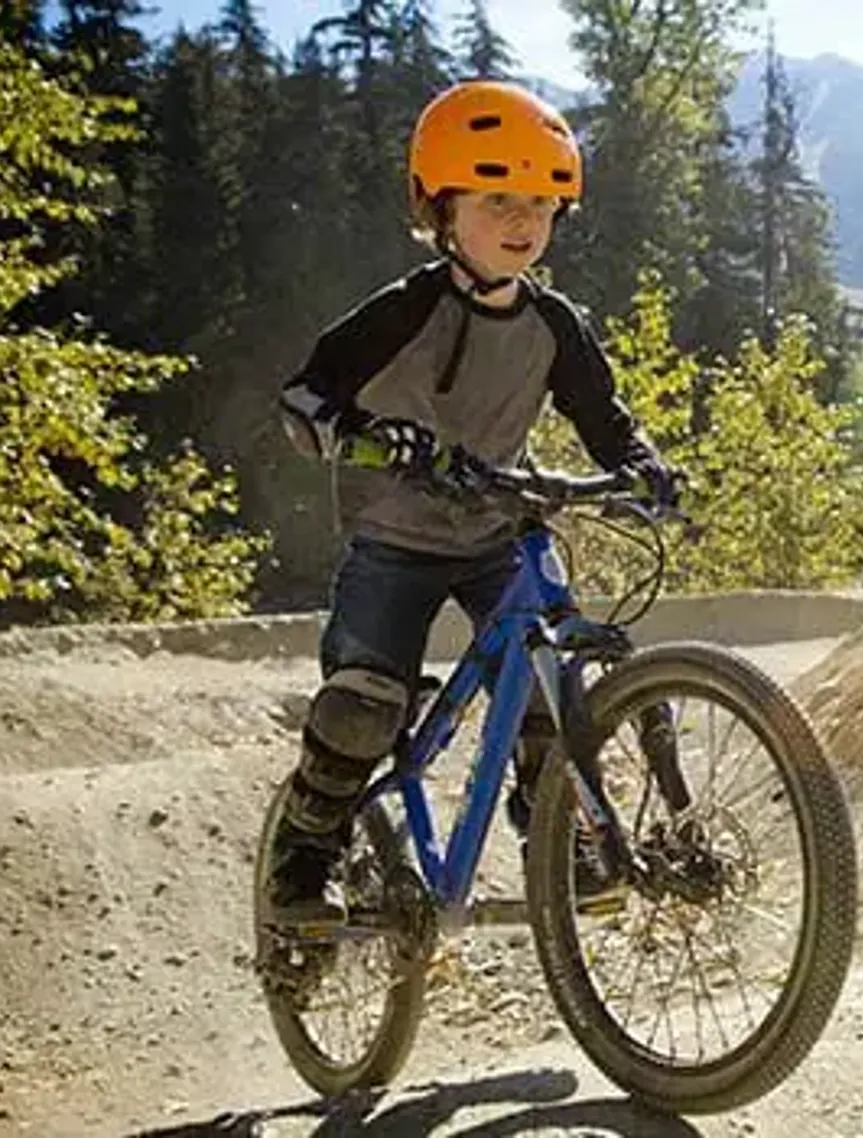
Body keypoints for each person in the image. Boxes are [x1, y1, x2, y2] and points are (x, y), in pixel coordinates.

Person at [266, 79, 680, 926]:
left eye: (539, 200)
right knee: (363, 709)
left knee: (552, 685)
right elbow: (304, 399)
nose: (523, 220)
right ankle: (302, 863)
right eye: (498, 200)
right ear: (441, 209)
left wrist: (643, 467)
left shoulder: (555, 324)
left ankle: (559, 841)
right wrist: (370, 435)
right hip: (396, 538)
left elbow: (604, 419)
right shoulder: (406, 309)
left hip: (499, 531)